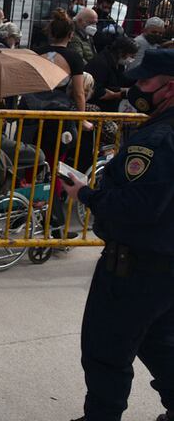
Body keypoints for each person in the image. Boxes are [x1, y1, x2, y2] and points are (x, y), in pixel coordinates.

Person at [62, 49, 174, 421]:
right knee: (159, 343)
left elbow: (139, 206)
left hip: (135, 264)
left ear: (169, 88)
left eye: (144, 82)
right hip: (163, 263)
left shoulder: (156, 140)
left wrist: (87, 195)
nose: (135, 89)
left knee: (106, 349)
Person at [37, 9, 87, 114]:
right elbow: (79, 93)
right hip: (57, 109)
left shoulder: (37, 53)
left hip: (32, 106)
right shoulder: (74, 58)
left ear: (51, 33)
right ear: (71, 35)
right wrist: (82, 118)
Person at [85, 36, 138, 113]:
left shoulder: (118, 63)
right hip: (98, 103)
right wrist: (121, 92)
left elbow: (122, 80)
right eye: (131, 56)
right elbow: (98, 91)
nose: (132, 59)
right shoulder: (101, 64)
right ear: (121, 52)